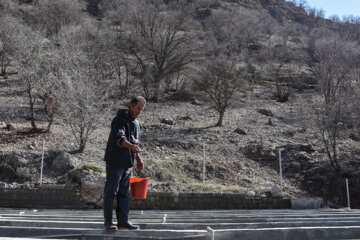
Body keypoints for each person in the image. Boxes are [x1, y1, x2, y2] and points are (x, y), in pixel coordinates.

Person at [103, 96, 146, 232]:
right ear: (131, 105)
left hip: (127, 164)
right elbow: (120, 139)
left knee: (123, 193)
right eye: (138, 108)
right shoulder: (119, 120)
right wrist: (131, 147)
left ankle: (123, 222)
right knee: (111, 192)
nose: (139, 111)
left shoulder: (137, 124)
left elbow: (135, 144)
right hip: (115, 162)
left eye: (142, 109)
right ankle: (108, 222)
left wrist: (138, 159)